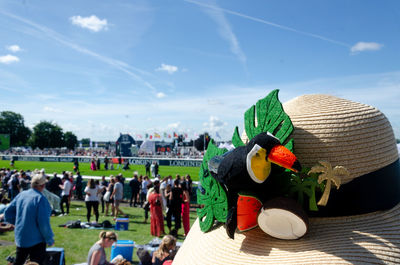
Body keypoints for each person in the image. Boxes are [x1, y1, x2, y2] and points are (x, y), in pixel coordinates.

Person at [5, 173, 54, 265]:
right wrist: (49, 239)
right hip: (36, 240)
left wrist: (18, 223)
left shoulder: (22, 195)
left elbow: (8, 212)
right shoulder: (41, 199)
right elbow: (43, 224)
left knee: (19, 261)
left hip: (21, 237)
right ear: (43, 185)